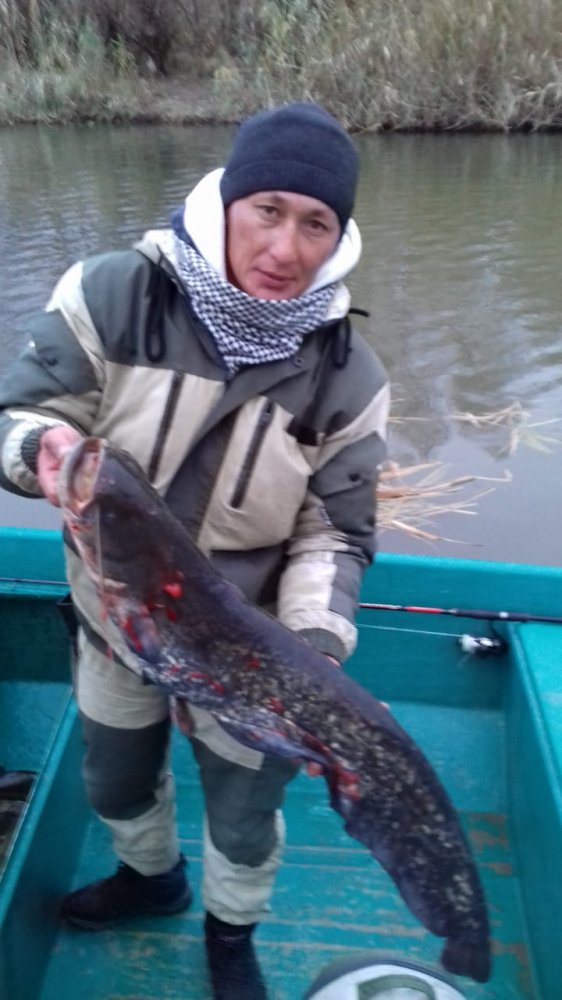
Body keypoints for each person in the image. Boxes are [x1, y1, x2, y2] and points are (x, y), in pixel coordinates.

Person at [0, 102, 390, 999]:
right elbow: (22, 413)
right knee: (113, 779)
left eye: (315, 224)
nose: (285, 248)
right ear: (226, 202)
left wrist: (309, 651)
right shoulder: (108, 294)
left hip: (253, 649)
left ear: (337, 238)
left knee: (247, 812)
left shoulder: (350, 375)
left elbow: (336, 531)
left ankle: (230, 931)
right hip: (115, 625)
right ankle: (152, 878)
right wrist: (36, 450)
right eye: (267, 210)